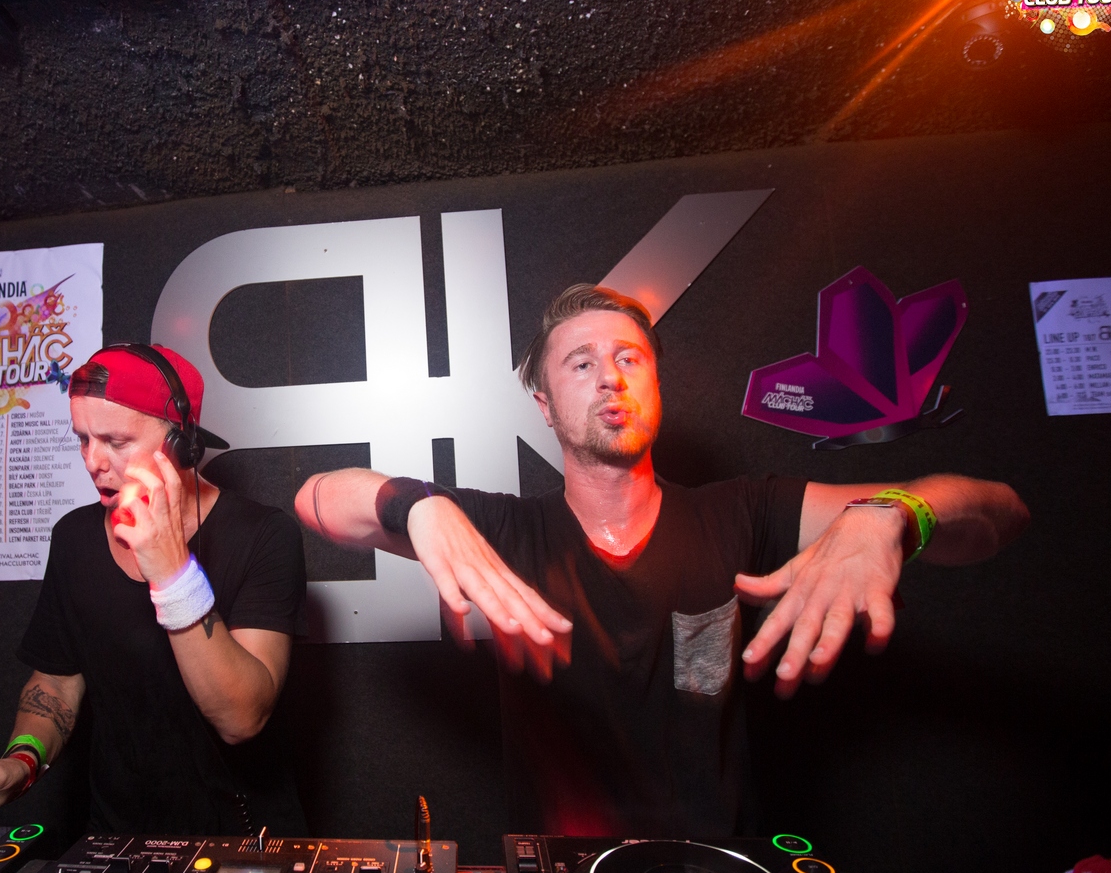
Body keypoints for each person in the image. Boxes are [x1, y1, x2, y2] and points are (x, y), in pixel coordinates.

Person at [294, 284, 1029, 837]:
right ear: (545, 405)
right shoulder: (507, 530)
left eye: (629, 358)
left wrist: (895, 515)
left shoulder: (740, 510)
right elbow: (317, 499)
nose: (609, 377)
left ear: (654, 384)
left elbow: (1001, 514)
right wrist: (417, 505)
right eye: (581, 363)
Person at [0, 344, 307, 835]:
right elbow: (57, 682)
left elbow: (242, 717)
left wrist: (172, 570)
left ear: (182, 443)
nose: (92, 461)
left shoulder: (263, 535)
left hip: (243, 843)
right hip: (119, 838)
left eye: (115, 441)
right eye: (82, 438)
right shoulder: (75, 538)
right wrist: (21, 763)